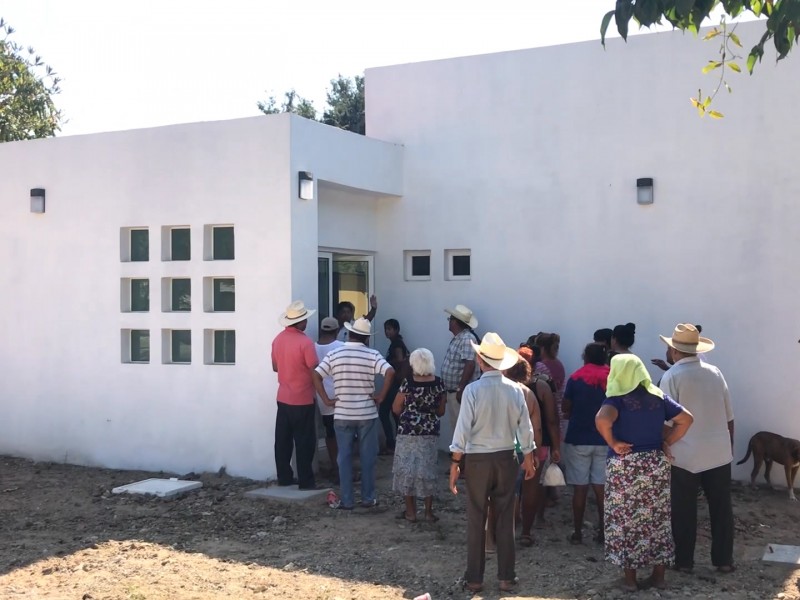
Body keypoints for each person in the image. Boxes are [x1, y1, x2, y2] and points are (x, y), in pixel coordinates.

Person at [595, 354, 694, 591]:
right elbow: (686, 419)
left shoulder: (616, 399)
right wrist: (666, 440)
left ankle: (630, 580)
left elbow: (601, 420)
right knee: (657, 519)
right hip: (655, 464)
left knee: (626, 520)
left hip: (626, 465)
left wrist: (613, 442)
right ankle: (659, 578)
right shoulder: (658, 397)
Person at [450, 332, 536, 594]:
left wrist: (455, 462)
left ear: (479, 359)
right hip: (507, 457)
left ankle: (474, 578)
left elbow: (463, 429)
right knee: (505, 518)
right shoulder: (516, 390)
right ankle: (506, 578)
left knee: (477, 517)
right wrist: (529, 458)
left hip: (477, 459)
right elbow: (526, 427)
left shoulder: (473, 391)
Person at [658, 324, 735, 574]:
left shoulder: (671, 377)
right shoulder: (715, 373)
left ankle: (683, 562)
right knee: (722, 508)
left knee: (683, 509)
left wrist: (664, 445)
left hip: (685, 453)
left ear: (674, 351)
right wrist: (728, 447)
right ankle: (724, 560)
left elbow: (667, 420)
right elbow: (729, 417)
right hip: (718, 453)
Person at [313, 318, 394, 509]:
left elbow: (316, 375)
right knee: (367, 457)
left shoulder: (334, 354)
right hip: (367, 413)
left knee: (344, 457)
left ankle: (347, 500)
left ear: (349, 333)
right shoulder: (372, 354)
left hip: (342, 412)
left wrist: (325, 399)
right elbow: (390, 372)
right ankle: (368, 497)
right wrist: (381, 396)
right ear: (366, 338)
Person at [562, 342, 609, 545]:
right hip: (605, 438)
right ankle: (604, 532)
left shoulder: (575, 378)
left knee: (580, 488)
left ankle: (578, 532)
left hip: (579, 438)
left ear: (585, 357)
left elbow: (565, 407)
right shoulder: (613, 378)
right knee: (601, 488)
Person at [392, 348, 446, 522]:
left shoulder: (407, 383)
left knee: (408, 469)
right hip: (430, 432)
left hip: (407, 431)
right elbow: (441, 410)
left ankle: (411, 512)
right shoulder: (439, 383)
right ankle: (428, 512)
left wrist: (410, 416)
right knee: (427, 470)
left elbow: (396, 408)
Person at [271, 300, 320, 489]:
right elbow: (313, 370)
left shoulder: (277, 339)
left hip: (283, 397)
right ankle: (306, 481)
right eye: (305, 319)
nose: (307, 322)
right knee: (304, 442)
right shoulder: (306, 343)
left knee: (282, 441)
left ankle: (284, 477)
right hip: (303, 398)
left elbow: (275, 367)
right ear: (300, 322)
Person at [517, 346, 559, 538]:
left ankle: (509, 526)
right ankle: (526, 531)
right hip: (537, 443)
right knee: (532, 487)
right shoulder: (541, 387)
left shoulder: (506, 386)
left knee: (510, 488)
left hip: (510, 443)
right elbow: (551, 420)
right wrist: (556, 446)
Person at [441, 304, 480, 445]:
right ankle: (460, 462)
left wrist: (460, 387)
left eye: (450, 319)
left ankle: (462, 463)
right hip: (454, 392)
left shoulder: (466, 338)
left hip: (460, 392)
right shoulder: (459, 338)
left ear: (456, 321)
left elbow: (470, 364)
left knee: (462, 429)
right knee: (457, 428)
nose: (449, 322)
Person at [315, 317, 345, 484]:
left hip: (322, 397)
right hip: (340, 395)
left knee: (330, 433)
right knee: (343, 434)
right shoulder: (340, 347)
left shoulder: (313, 347)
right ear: (336, 331)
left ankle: (335, 466)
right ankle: (343, 469)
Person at [381, 318, 410, 454]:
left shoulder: (397, 344)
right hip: (397, 384)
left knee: (385, 412)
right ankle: (399, 443)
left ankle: (392, 444)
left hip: (395, 384)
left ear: (396, 330)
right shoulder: (396, 343)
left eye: (390, 329)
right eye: (386, 329)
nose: (387, 332)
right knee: (394, 413)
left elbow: (400, 360)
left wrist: (389, 362)